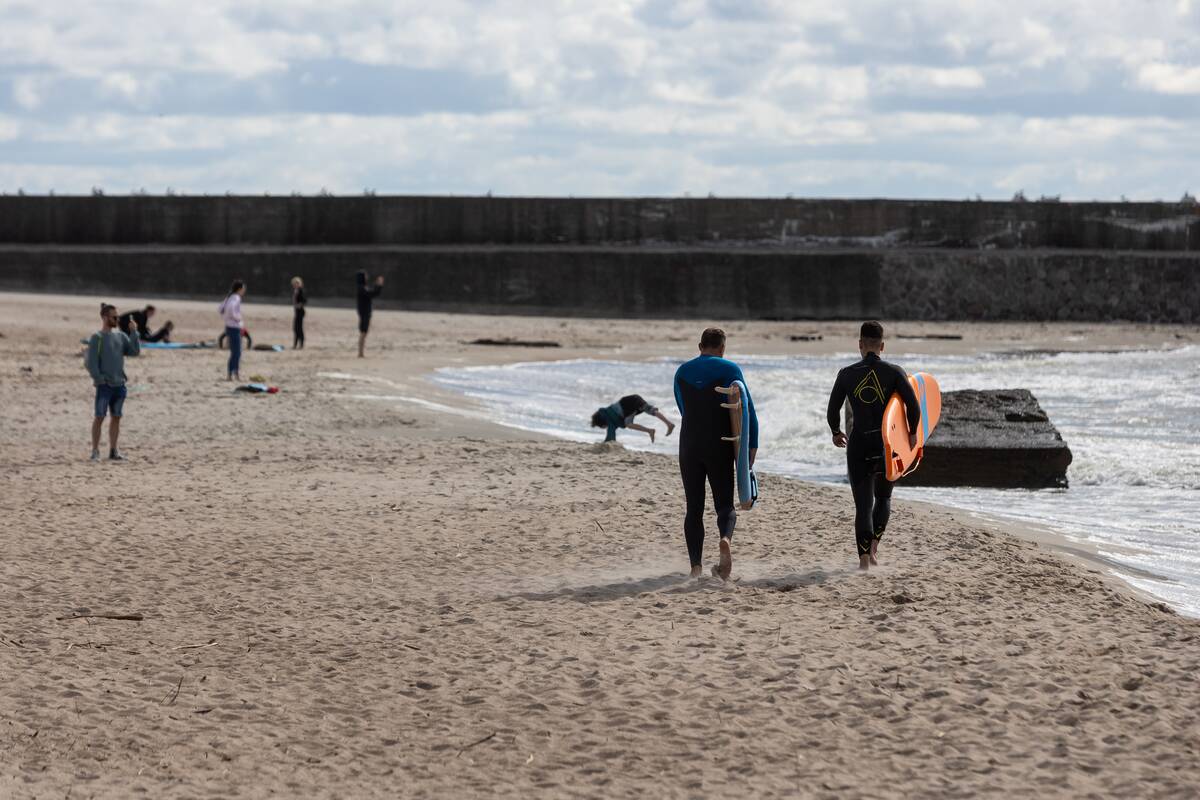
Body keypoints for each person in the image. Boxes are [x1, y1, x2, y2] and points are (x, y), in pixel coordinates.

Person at [826, 321, 920, 571]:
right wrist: (911, 435)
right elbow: (914, 406)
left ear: (860, 345)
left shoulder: (846, 373)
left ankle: (864, 559)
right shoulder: (895, 372)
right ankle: (875, 544)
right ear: (882, 345)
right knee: (884, 497)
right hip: (886, 445)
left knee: (863, 506)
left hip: (859, 444)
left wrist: (836, 432)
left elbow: (832, 409)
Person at [673, 327, 758, 581]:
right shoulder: (729, 369)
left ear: (700, 346)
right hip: (719, 445)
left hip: (688, 445)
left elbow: (682, 407)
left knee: (694, 508)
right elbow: (747, 411)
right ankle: (724, 539)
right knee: (724, 505)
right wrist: (750, 450)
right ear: (722, 349)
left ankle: (695, 568)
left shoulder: (681, 372)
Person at [85, 303, 141, 461]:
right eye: (114, 317)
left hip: (119, 384)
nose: (117, 319)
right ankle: (95, 451)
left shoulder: (121, 336)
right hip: (105, 386)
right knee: (100, 416)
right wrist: (99, 379)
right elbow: (91, 362)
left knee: (116, 416)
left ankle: (113, 450)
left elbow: (134, 351)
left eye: (117, 317)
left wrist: (133, 332)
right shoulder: (97, 337)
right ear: (104, 318)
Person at [591, 395, 675, 442]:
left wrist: (607, 443)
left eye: (602, 427)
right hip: (634, 398)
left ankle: (650, 431)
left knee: (628, 424)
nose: (604, 428)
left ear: (601, 422)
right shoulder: (607, 411)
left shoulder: (608, 418)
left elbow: (611, 433)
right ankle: (669, 424)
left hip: (628, 405)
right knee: (651, 411)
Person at [219, 280, 246, 381]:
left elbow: (220, 308)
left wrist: (226, 318)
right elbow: (230, 309)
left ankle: (232, 374)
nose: (244, 290)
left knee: (234, 352)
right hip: (234, 327)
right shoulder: (236, 297)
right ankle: (234, 374)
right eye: (243, 288)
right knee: (237, 352)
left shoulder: (229, 297)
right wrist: (237, 317)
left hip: (228, 327)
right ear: (239, 289)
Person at [356, 269, 384, 358]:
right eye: (365, 275)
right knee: (363, 331)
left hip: (364, 312)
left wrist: (378, 286)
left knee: (364, 332)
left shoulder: (362, 287)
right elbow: (372, 293)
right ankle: (360, 353)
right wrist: (379, 285)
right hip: (364, 312)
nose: (367, 277)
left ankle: (361, 352)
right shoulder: (361, 288)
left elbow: (372, 293)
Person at [291, 276, 307, 350]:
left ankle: (301, 345)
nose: (295, 284)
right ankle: (295, 344)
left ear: (299, 283)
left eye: (296, 283)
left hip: (300, 312)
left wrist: (299, 305)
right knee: (295, 328)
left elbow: (304, 300)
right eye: (294, 283)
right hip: (297, 312)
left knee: (299, 328)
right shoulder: (296, 290)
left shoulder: (301, 290)